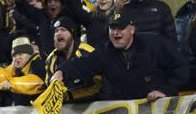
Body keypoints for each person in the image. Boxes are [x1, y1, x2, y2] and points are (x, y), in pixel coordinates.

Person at [53, 12, 189, 101]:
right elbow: (82, 64)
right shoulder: (105, 52)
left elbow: (181, 68)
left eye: (121, 28)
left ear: (132, 29)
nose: (116, 32)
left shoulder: (155, 44)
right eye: (112, 28)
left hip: (161, 112)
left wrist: (166, 91)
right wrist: (61, 72)